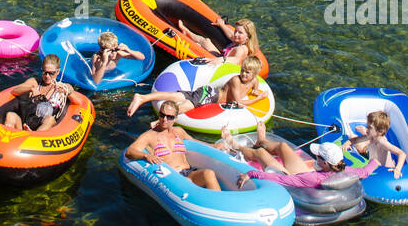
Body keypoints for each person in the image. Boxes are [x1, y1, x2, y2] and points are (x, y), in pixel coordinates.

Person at [219, 122, 379, 191]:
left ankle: (234, 145)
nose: (315, 157)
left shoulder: (311, 179)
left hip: (296, 176)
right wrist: (377, 162)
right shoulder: (347, 170)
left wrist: (251, 174)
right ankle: (262, 140)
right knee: (282, 147)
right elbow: (365, 171)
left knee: (260, 154)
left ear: (324, 162)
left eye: (317, 156)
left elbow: (279, 179)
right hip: (306, 173)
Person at [127, 54, 264, 118]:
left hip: (207, 93)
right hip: (211, 95)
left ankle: (142, 98)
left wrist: (257, 90)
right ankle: (161, 120)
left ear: (255, 74)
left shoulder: (253, 80)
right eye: (242, 70)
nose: (244, 74)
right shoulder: (236, 80)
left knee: (176, 96)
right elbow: (238, 103)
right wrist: (259, 98)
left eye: (247, 72)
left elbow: (256, 83)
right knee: (185, 106)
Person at [125, 103, 220, 191]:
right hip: (172, 177)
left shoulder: (179, 131)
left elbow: (194, 142)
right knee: (187, 183)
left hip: (188, 172)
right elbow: (130, 151)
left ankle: (219, 206)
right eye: (162, 115)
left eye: (169, 117)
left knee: (208, 173)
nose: (165, 119)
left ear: (175, 118)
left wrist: (213, 146)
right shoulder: (149, 136)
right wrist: (146, 156)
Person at [0, 55, 83, 132]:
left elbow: (79, 102)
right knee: (10, 115)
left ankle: (33, 139)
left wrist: (68, 92)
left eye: (51, 73)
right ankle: (6, 144)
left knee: (50, 119)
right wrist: (31, 89)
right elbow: (15, 90)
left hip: (43, 131)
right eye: (45, 72)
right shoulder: (35, 82)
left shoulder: (64, 87)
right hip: (25, 124)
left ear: (57, 72)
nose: (47, 76)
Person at [343, 111, 406, 178]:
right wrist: (346, 144)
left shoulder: (381, 141)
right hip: (373, 162)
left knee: (360, 144)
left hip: (384, 169)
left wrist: (397, 169)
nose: (367, 129)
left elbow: (402, 153)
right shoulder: (370, 135)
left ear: (380, 131)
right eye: (367, 126)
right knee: (358, 144)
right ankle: (353, 133)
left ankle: (360, 131)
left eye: (369, 127)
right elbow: (354, 140)